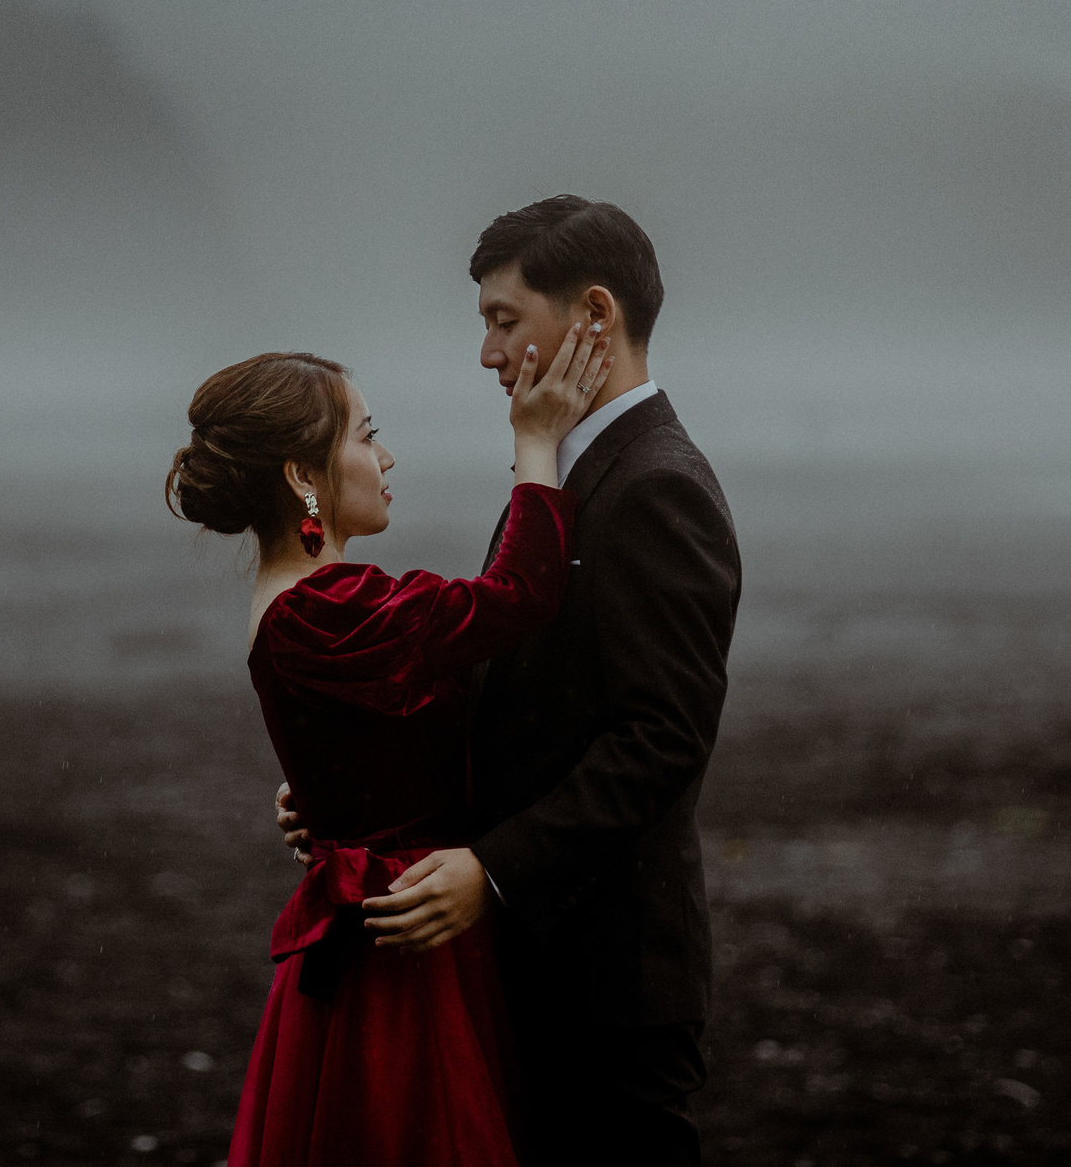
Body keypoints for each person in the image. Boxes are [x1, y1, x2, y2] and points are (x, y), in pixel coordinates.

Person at [280, 195, 743, 1165]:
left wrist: (491, 874)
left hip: (609, 977)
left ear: (594, 318)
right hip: (539, 961)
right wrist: (361, 786)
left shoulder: (655, 483)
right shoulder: (569, 466)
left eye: (502, 321)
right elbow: (524, 705)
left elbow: (661, 739)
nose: (486, 355)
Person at [168, 323, 613, 1166]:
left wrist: (333, 798)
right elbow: (519, 593)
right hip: (402, 966)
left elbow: (369, 740)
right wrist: (534, 440)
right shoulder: (330, 608)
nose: (388, 457)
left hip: (378, 929)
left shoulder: (308, 603)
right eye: (368, 437)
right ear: (304, 476)